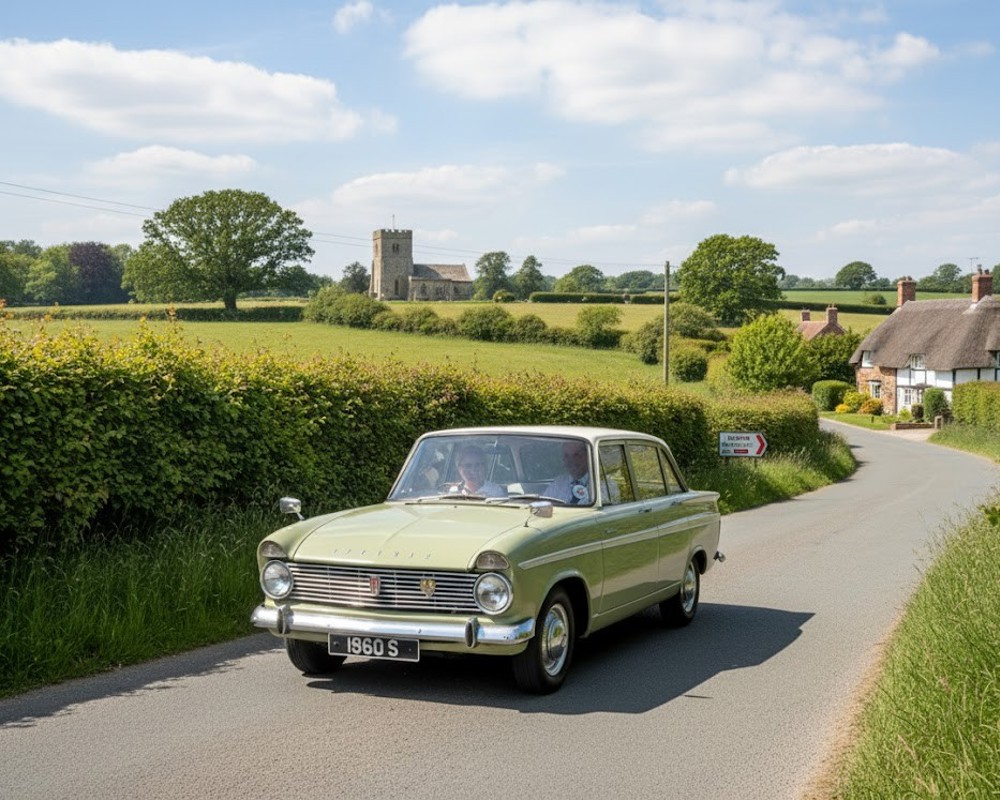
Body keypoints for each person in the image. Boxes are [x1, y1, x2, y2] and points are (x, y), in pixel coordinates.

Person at [544, 440, 594, 504]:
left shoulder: (600, 485)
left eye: (577, 455)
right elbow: (545, 505)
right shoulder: (558, 483)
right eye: (566, 456)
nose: (571, 461)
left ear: (588, 456)